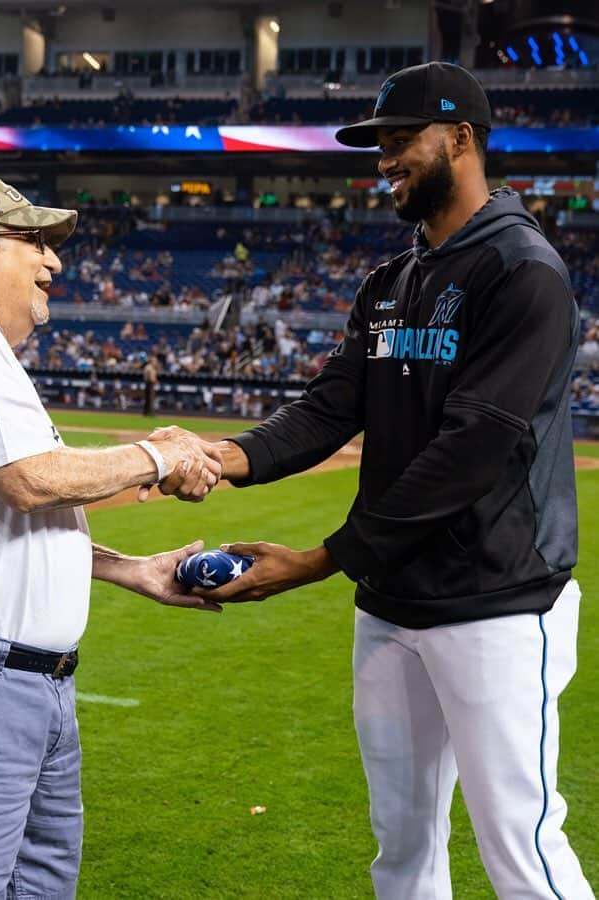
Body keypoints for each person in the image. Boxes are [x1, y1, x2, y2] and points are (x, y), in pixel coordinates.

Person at [149, 63, 594, 898]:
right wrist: (220, 455)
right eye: (379, 144)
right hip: (392, 610)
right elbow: (327, 410)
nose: (383, 160)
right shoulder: (391, 282)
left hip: (495, 602)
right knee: (401, 848)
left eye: (400, 141)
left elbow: (472, 452)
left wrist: (321, 559)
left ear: (460, 138)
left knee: (520, 847)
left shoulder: (521, 270)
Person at [0, 173, 221, 899]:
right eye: (32, 240)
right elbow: (29, 479)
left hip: (14, 679)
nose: (53, 260)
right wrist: (161, 454)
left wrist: (129, 569)